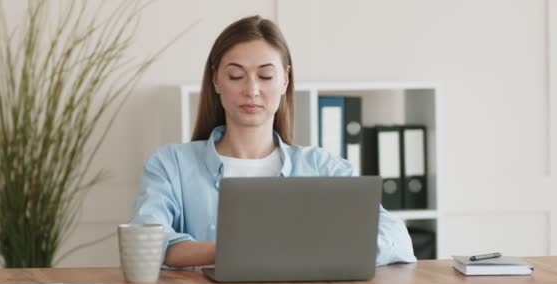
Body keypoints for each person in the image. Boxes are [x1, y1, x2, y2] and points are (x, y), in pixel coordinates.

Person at [132, 15, 416, 268]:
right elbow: (148, 240)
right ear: (217, 80)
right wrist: (238, 252)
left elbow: (395, 237)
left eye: (266, 75)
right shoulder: (171, 165)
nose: (251, 90)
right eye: (236, 75)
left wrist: (310, 252)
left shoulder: (321, 167)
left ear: (284, 80)